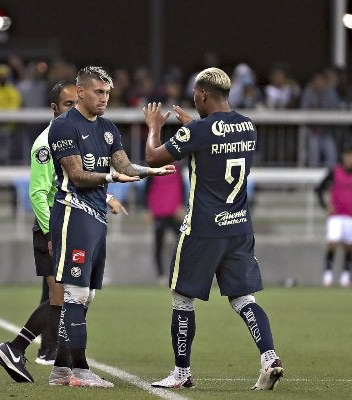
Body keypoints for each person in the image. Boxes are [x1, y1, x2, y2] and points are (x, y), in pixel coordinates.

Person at [144, 67, 284, 390]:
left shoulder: (199, 132)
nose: (194, 99)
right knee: (243, 298)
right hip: (239, 227)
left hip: (203, 228)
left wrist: (154, 127)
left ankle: (181, 372)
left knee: (182, 299)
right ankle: (269, 357)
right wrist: (195, 128)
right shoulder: (248, 127)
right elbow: (220, 142)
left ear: (203, 94)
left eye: (196, 94)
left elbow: (153, 157)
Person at [46, 66, 174, 388]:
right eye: (98, 92)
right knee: (74, 293)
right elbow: (76, 176)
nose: (104, 99)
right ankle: (82, 369)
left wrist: (150, 171)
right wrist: (110, 178)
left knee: (86, 296)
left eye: (107, 93)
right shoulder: (63, 126)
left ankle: (61, 370)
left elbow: (125, 166)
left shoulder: (108, 128)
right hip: (73, 213)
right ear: (80, 93)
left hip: (96, 218)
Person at [0, 80, 127, 383]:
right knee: (63, 298)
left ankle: (59, 366)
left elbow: (66, 180)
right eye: (67, 105)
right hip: (56, 226)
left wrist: (106, 197)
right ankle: (19, 348)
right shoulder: (45, 142)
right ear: (54, 108)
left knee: (71, 298)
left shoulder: (72, 137)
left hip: (71, 222)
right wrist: (51, 233)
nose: (73, 109)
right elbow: (39, 192)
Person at [315, 144, 352, 287]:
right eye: (347, 156)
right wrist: (325, 205)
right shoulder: (335, 172)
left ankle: (345, 277)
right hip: (336, 215)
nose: (350, 159)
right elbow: (319, 188)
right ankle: (327, 276)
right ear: (343, 157)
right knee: (333, 243)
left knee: (350, 246)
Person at [144, 164, 185, 284]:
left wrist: (180, 205)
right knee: (158, 244)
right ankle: (161, 275)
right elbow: (147, 190)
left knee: (182, 243)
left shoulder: (177, 169)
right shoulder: (153, 169)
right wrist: (147, 210)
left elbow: (182, 188)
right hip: (158, 212)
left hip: (174, 212)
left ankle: (182, 272)